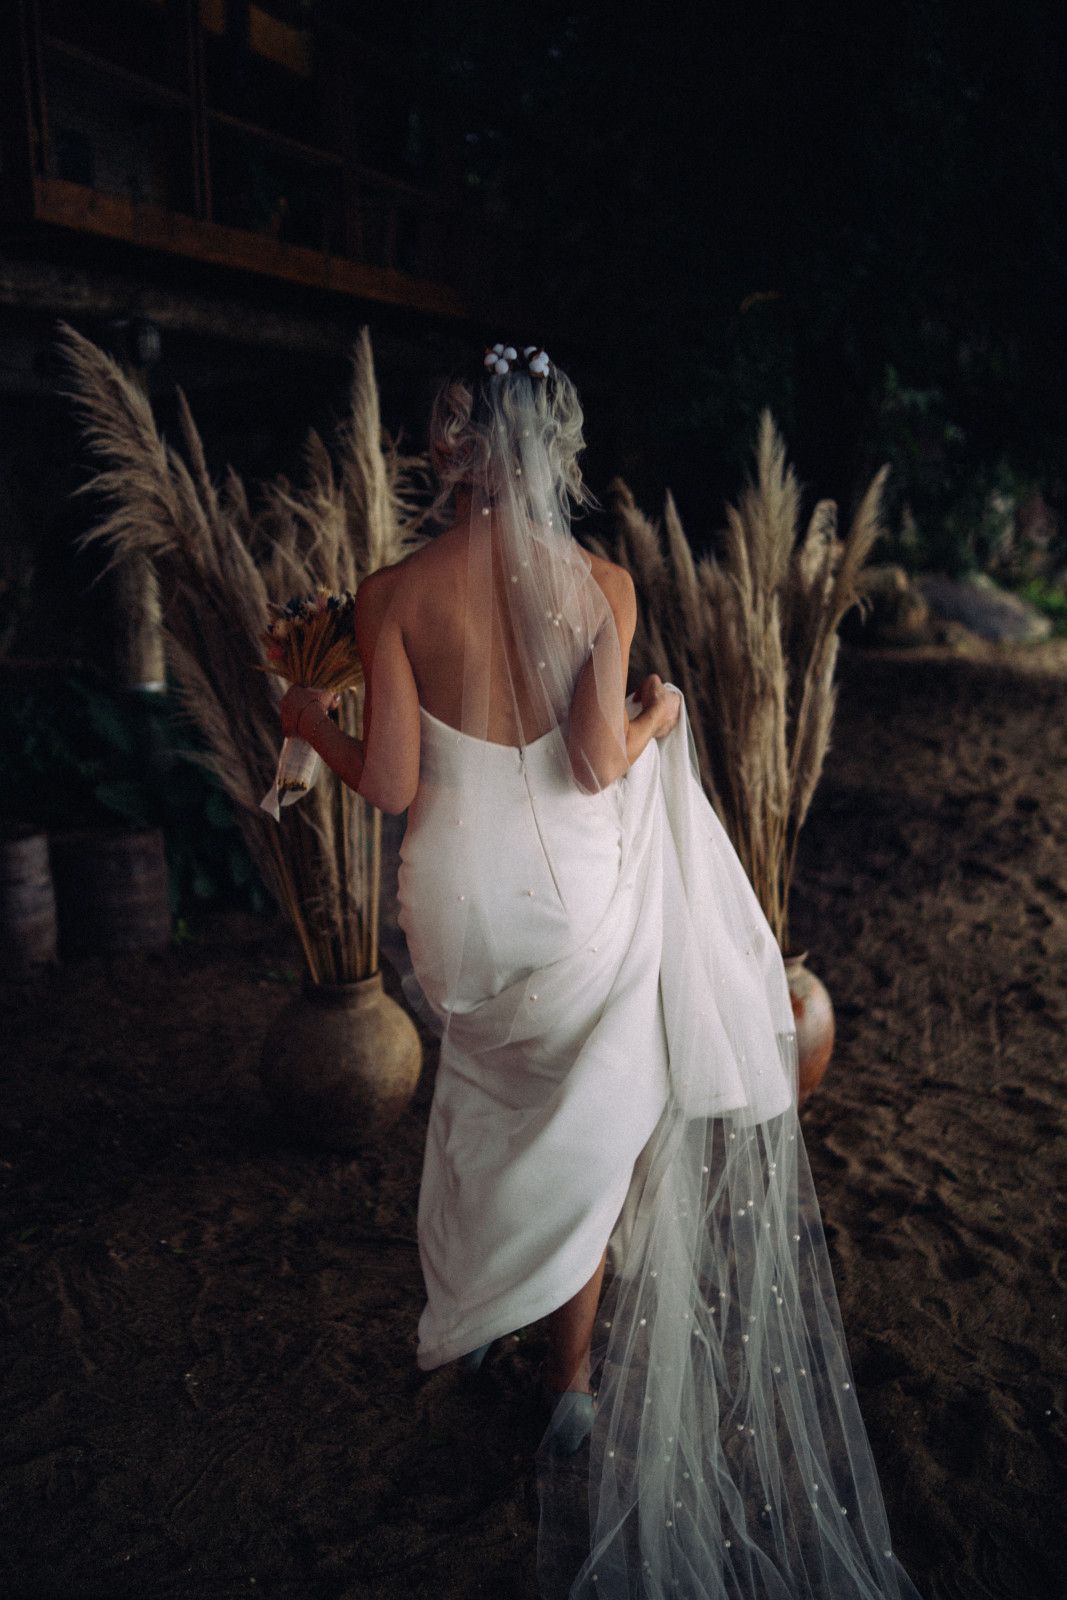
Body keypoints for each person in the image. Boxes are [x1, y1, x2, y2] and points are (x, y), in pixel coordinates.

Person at [278, 344, 925, 1600]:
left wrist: (310, 722)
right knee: (586, 1118)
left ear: (454, 450)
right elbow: (591, 765)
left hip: (453, 918)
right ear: (554, 450)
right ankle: (567, 1385)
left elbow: (397, 785)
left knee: (482, 1087)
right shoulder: (603, 584)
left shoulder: (391, 592)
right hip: (570, 910)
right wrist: (660, 716)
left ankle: (477, 1308)